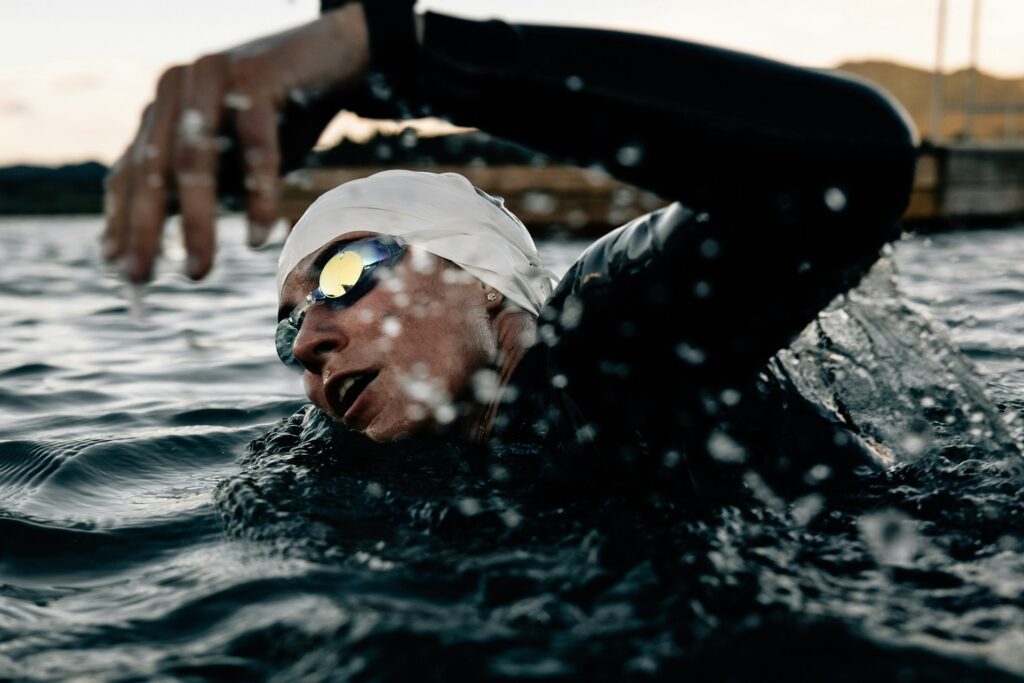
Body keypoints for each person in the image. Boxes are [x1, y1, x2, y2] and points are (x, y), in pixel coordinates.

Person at [103, 2, 917, 496]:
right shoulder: (413, 474)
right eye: (289, 328)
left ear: (483, 281)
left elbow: (850, 161)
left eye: (347, 273)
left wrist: (391, 52)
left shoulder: (607, 343)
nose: (308, 345)